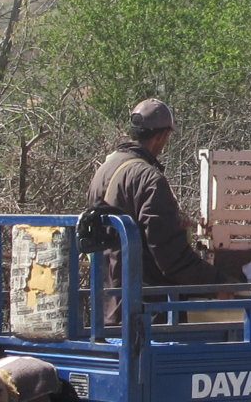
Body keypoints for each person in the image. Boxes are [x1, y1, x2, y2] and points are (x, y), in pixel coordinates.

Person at [88, 98, 225, 322]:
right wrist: (218, 283)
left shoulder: (104, 171)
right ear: (161, 136)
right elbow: (170, 255)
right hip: (146, 313)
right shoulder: (149, 178)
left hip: (108, 307)